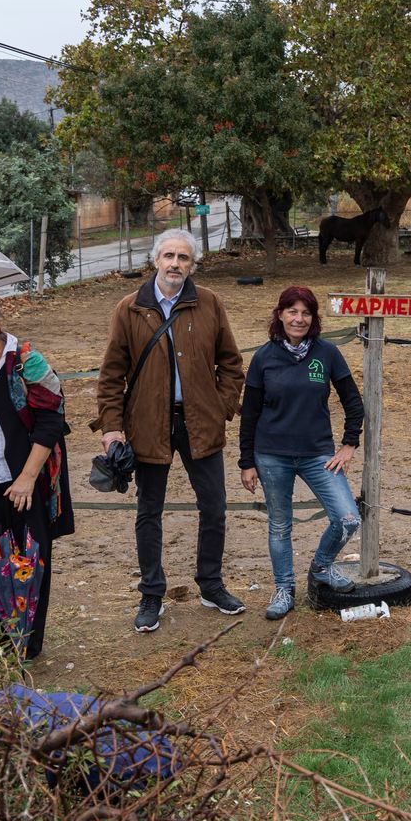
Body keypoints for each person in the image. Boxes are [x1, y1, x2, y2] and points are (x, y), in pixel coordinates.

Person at [92, 229, 246, 633]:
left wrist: (221, 407)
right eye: (169, 256)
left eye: (184, 258)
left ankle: (211, 585)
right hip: (148, 424)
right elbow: (111, 377)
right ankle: (152, 594)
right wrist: (112, 429)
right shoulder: (129, 309)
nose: (176, 264)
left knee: (213, 507)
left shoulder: (209, 303)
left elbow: (231, 363)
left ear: (192, 264)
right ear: (155, 260)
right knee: (149, 512)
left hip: (200, 422)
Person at [0, 295, 74, 659]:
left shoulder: (26, 362)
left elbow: (53, 420)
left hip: (28, 477)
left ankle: (26, 645)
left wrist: (26, 477)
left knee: (30, 558)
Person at [238, 286, 365, 620]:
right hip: (271, 455)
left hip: (318, 454)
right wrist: (246, 462)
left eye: (306, 312)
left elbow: (352, 401)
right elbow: (249, 413)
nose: (299, 318)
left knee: (348, 518)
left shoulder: (327, 354)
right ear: (280, 315)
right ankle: (284, 589)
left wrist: (349, 444)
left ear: (314, 318)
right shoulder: (263, 357)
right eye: (292, 311)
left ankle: (321, 568)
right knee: (280, 526)